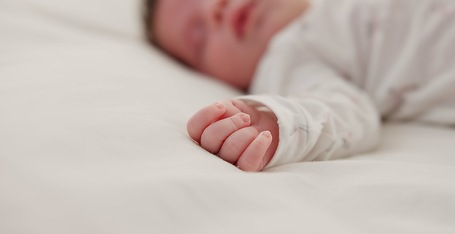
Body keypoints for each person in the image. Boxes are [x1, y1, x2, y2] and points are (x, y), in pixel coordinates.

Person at [143, 0, 455, 172]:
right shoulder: (286, 59)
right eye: (198, 34)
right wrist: (274, 121)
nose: (215, 8)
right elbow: (346, 112)